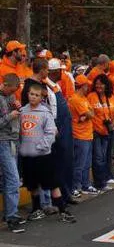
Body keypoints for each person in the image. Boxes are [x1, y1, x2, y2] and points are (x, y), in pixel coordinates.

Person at [19, 82, 75, 223]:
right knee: (32, 185)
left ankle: (62, 211)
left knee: (52, 184)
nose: (33, 97)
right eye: (31, 94)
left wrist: (42, 146)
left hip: (43, 155)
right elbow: (20, 131)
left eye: (36, 95)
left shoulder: (45, 112)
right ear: (28, 95)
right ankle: (36, 209)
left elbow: (51, 132)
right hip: (27, 155)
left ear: (41, 97)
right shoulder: (23, 111)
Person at [0, 74, 25, 232]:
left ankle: (9, 214)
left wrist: (17, 107)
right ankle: (12, 216)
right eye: (13, 90)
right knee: (13, 179)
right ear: (6, 85)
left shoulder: (9, 96)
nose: (13, 93)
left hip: (13, 140)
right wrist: (10, 116)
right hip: (3, 141)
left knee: (7, 179)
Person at [87, 74, 114, 192]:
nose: (98, 86)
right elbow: (88, 113)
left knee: (106, 156)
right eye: (97, 84)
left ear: (106, 85)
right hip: (95, 131)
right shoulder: (91, 96)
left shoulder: (111, 97)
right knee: (98, 158)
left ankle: (104, 180)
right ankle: (99, 183)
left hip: (108, 131)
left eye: (101, 83)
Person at [69, 74, 96, 197]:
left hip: (88, 134)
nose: (88, 88)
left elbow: (92, 113)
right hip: (79, 135)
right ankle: (75, 186)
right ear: (83, 86)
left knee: (86, 163)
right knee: (79, 164)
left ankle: (85, 185)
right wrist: (87, 115)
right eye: (86, 85)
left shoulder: (84, 98)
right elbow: (89, 114)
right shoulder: (75, 99)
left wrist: (87, 115)